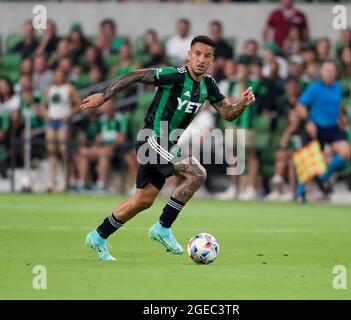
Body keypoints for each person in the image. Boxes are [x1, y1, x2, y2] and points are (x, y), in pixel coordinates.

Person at [80, 36, 255, 261]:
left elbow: (227, 113)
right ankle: (162, 228)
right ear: (189, 55)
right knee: (197, 173)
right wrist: (104, 97)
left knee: (142, 201)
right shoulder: (174, 75)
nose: (201, 59)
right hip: (152, 139)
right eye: (198, 54)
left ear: (212, 60)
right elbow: (134, 75)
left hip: (168, 143)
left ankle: (98, 236)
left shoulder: (208, 84)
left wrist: (242, 104)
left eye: (207, 56)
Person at [296, 61, 351, 200]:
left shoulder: (338, 88)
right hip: (316, 127)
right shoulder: (314, 88)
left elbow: (339, 107)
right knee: (309, 161)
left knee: (346, 152)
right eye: (326, 70)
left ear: (336, 73)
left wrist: (343, 117)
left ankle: (324, 175)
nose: (329, 73)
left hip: (333, 127)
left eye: (332, 70)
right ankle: (300, 192)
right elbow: (301, 106)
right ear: (321, 72)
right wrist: (308, 121)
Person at [42, 69, 81, 192]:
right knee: (51, 151)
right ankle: (52, 180)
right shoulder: (50, 89)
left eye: (60, 75)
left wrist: (69, 114)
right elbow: (43, 105)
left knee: (64, 150)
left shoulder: (69, 88)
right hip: (52, 120)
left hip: (63, 121)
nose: (58, 77)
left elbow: (78, 104)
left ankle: (66, 179)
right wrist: (46, 114)